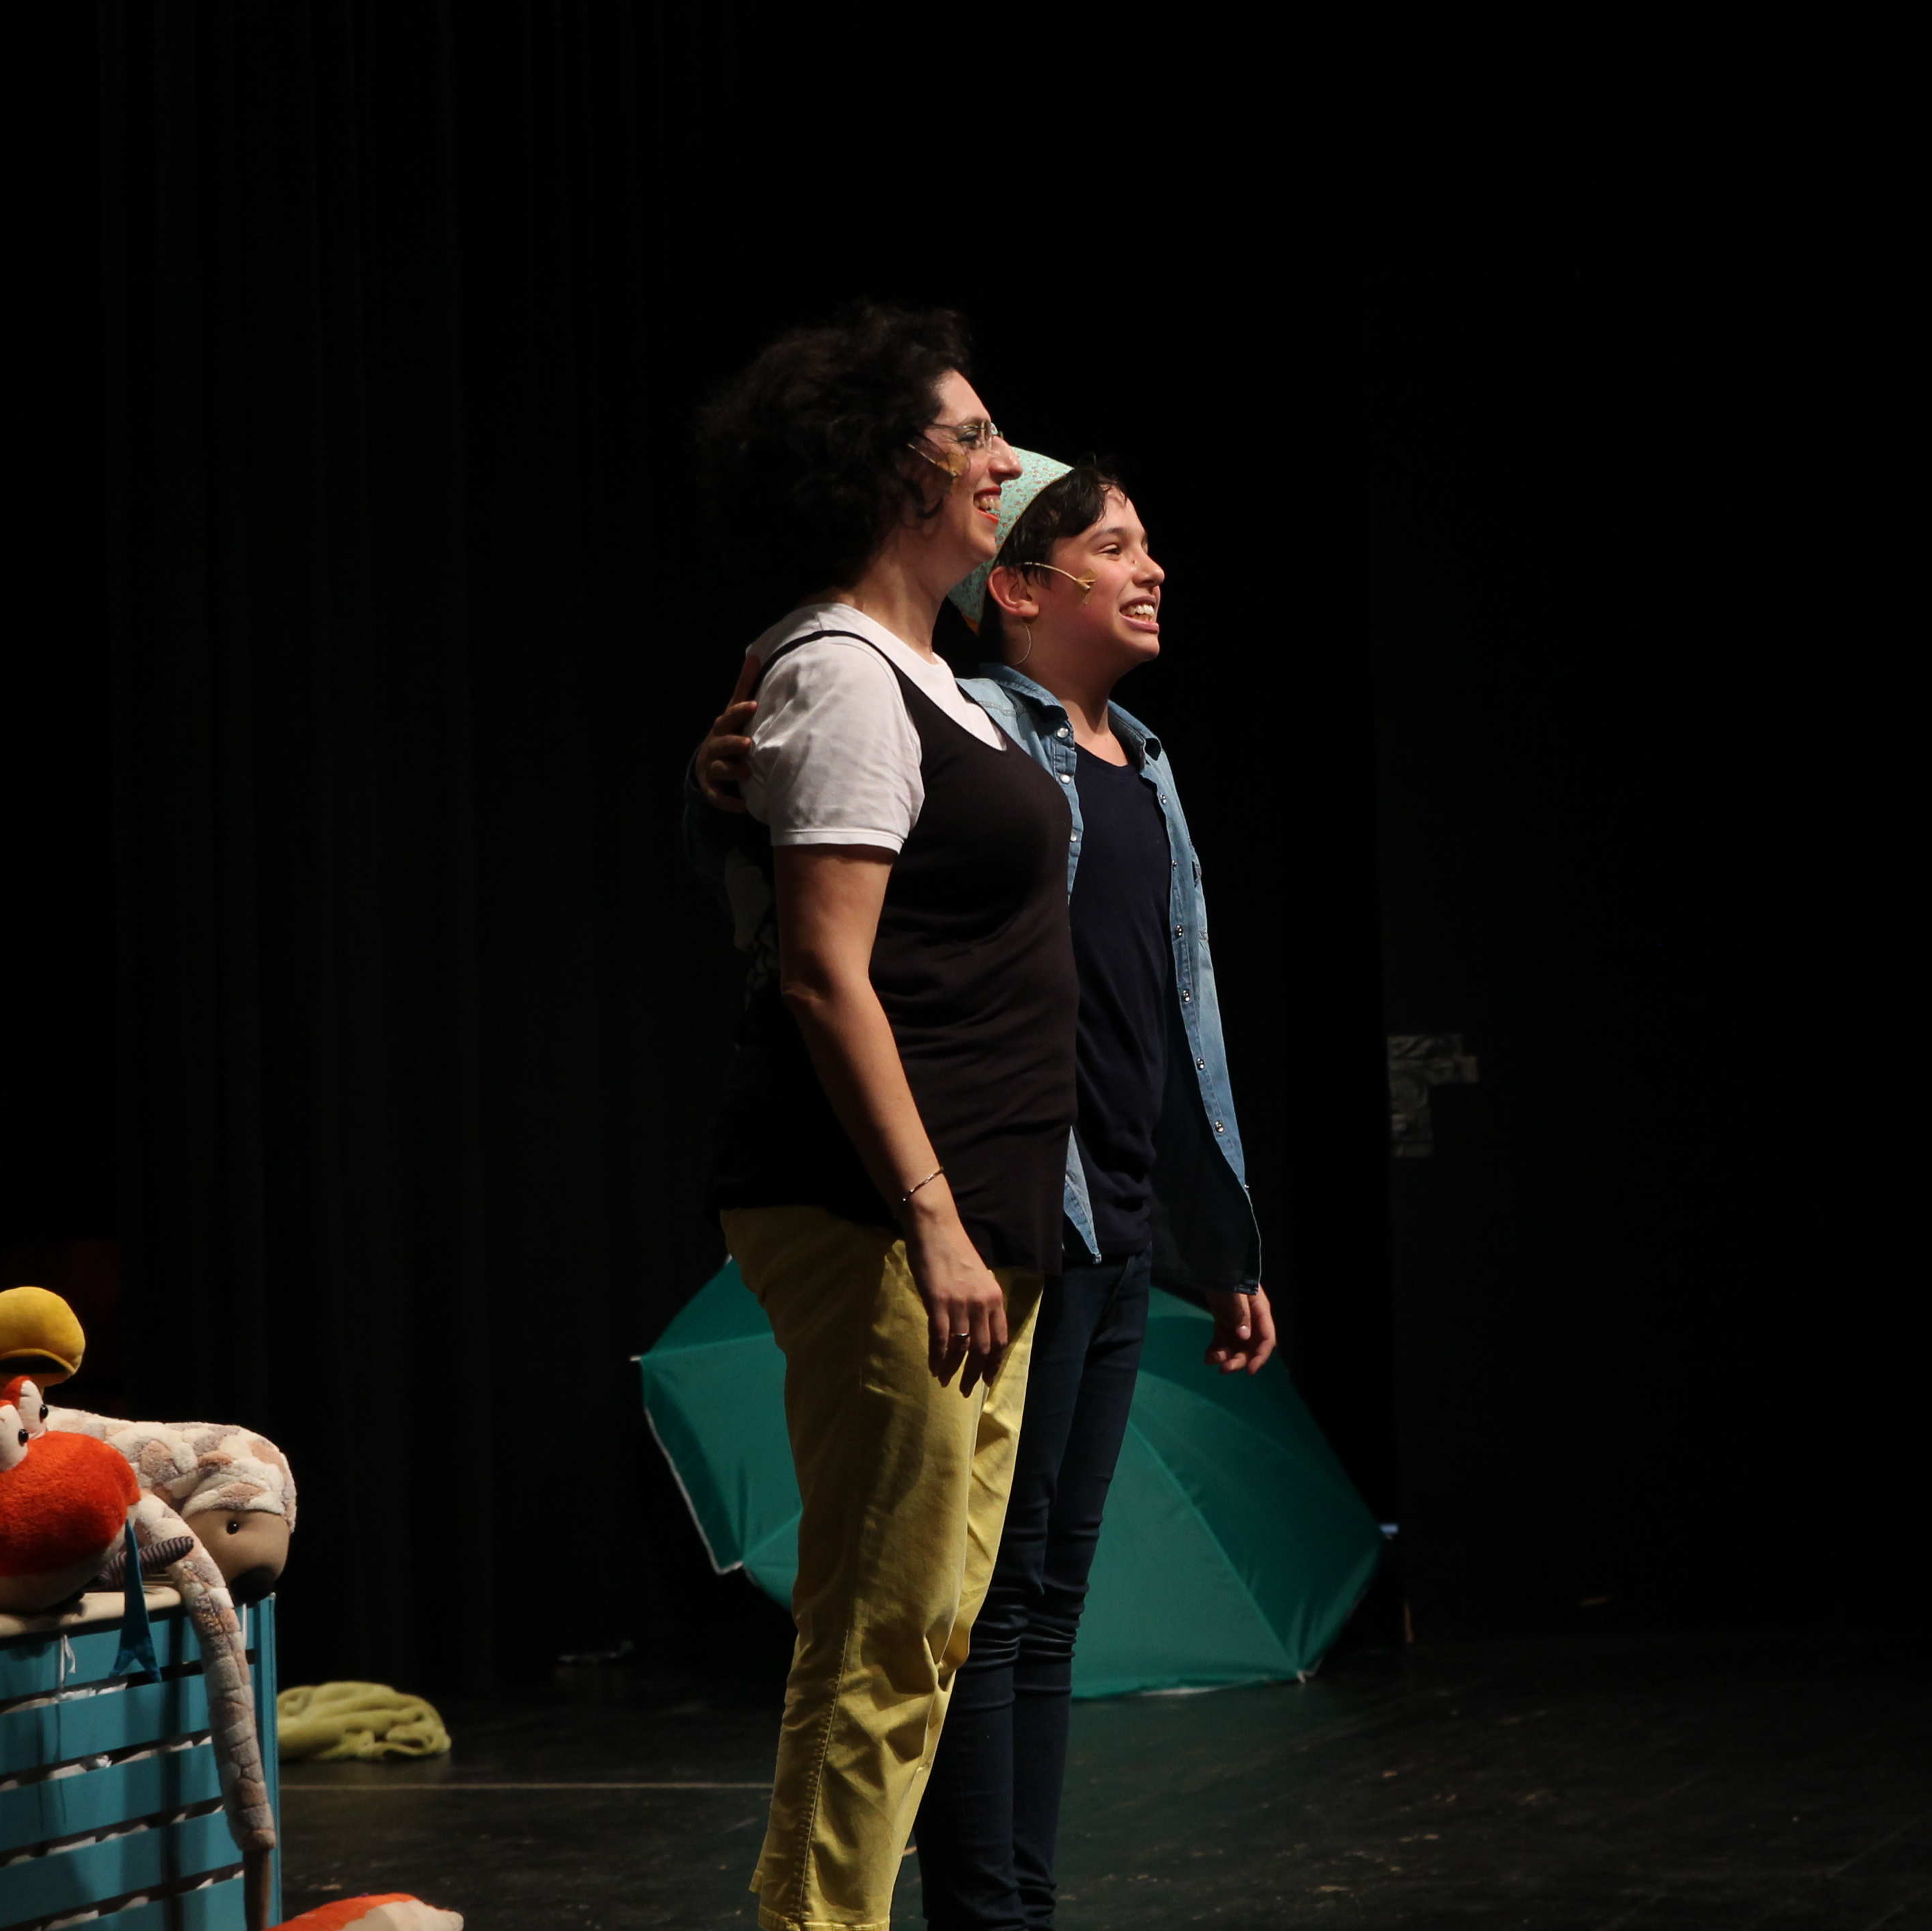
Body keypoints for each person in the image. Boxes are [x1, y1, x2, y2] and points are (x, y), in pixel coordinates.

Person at [687, 449, 1273, 1927]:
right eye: (1114, 546)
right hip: (1019, 1200)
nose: (1150, 569)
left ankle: (1015, 1901)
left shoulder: (1146, 759)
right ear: (1017, 585)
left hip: (1116, 1213)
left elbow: (1174, 1019)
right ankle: (982, 1909)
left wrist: (1218, 1232)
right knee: (967, 1600)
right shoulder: (980, 731)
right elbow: (806, 856)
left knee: (1036, 1596)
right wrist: (715, 786)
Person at [696, 304, 1077, 1931]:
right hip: (885, 1213)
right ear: (891, 468)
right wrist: (932, 1215)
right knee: (881, 1626)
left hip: (977, 1207)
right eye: (977, 435)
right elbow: (823, 969)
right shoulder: (844, 674)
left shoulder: (941, 680)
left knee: (924, 1625)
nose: (1008, 460)